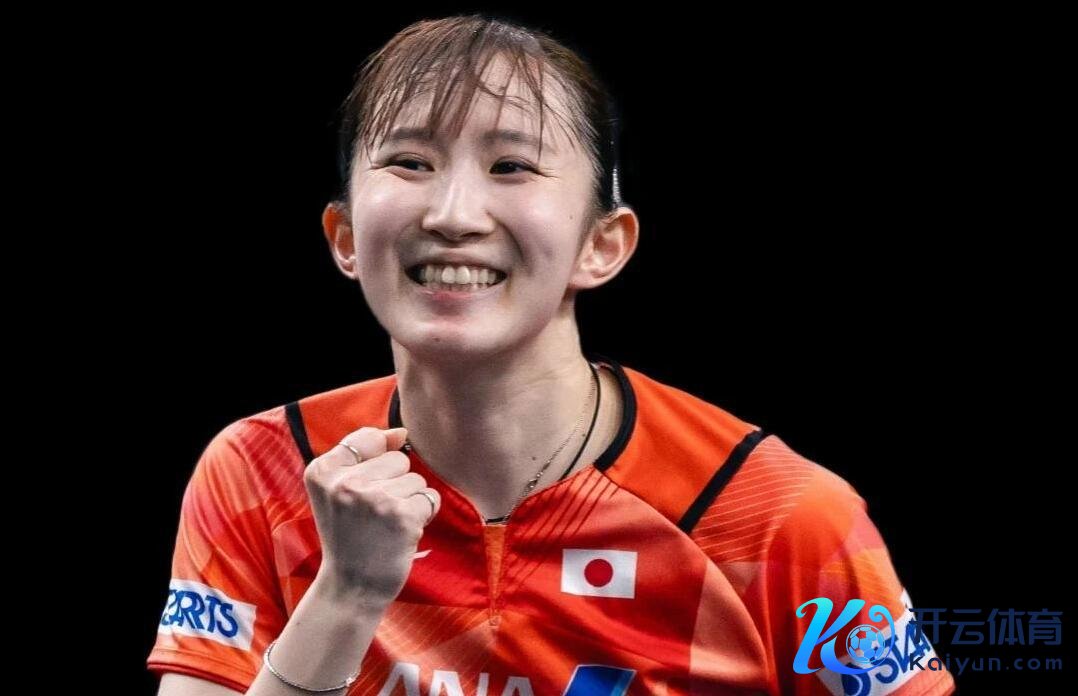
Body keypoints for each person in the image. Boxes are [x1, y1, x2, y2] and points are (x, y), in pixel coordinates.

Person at [149, 14, 956, 696]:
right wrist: (347, 593)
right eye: (410, 162)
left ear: (602, 245)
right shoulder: (261, 473)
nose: (454, 214)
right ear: (346, 238)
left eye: (512, 166)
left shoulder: (775, 518)